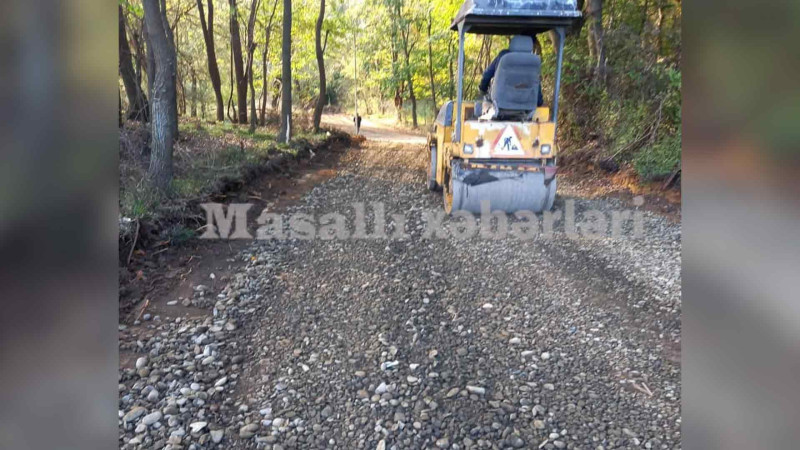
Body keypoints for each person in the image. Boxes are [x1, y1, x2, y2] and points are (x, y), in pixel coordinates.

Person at [478, 35, 544, 107]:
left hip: (500, 103)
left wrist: (483, 89)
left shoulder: (503, 56)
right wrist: (539, 101)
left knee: (481, 105)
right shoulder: (534, 61)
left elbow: (487, 75)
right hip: (526, 107)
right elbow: (536, 84)